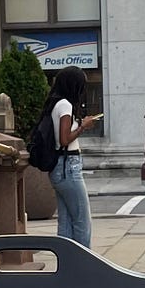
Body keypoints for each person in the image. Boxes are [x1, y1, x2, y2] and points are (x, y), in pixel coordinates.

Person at [40, 66, 98, 248]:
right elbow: (64, 139)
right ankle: (84, 265)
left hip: (59, 167)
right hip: (68, 167)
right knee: (82, 220)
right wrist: (83, 127)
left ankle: (67, 264)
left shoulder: (55, 103)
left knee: (65, 221)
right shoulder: (65, 105)